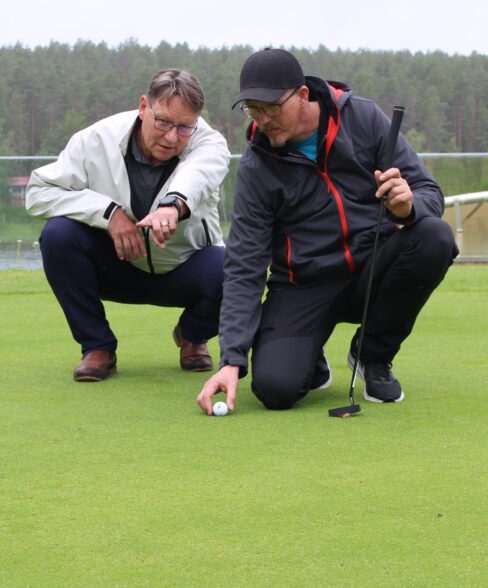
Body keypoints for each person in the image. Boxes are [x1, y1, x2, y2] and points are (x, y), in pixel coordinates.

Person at [196, 49, 458, 414]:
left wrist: (408, 205)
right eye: (253, 109)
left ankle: (372, 355)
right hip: (303, 284)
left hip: (371, 267)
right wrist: (232, 360)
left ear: (302, 96)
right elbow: (245, 263)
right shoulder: (258, 163)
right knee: (275, 389)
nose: (263, 119)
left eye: (272, 107)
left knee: (435, 238)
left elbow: (430, 193)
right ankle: (309, 355)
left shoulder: (363, 118)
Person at [26, 69, 230, 381]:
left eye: (184, 126)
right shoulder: (95, 139)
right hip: (117, 264)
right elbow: (38, 193)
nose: (172, 136)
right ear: (144, 106)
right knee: (58, 235)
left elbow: (199, 174)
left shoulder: (210, 143)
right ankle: (97, 347)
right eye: (163, 122)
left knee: (238, 267)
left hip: (185, 268)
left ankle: (191, 334)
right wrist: (108, 213)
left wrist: (173, 205)